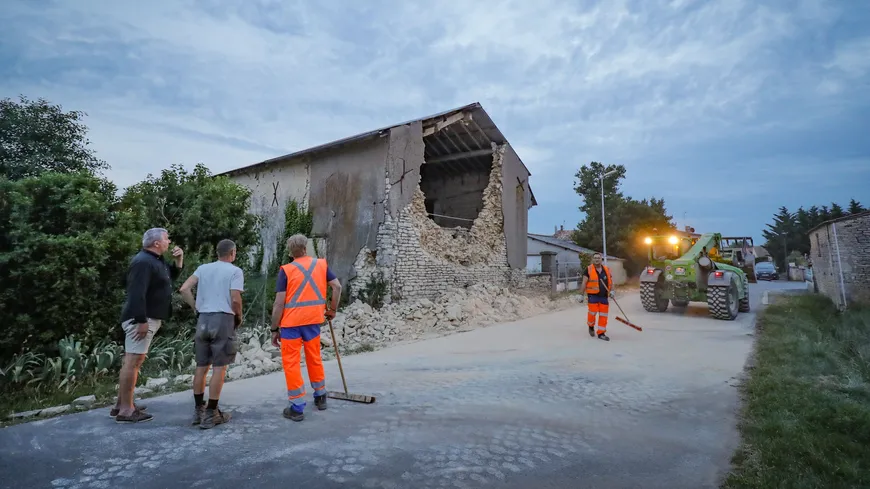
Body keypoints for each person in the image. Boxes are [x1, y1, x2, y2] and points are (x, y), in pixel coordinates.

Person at [113, 228, 184, 423]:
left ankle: (122, 404)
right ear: (156, 243)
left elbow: (168, 281)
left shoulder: (155, 261)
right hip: (142, 319)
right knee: (133, 362)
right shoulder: (143, 262)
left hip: (147, 317)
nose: (169, 241)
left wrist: (178, 261)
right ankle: (127, 410)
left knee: (132, 360)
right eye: (166, 239)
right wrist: (141, 320)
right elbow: (136, 293)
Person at [270, 233, 342, 422]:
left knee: (292, 363)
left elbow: (279, 303)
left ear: (290, 252)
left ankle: (297, 407)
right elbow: (337, 287)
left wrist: (273, 329)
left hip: (291, 325)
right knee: (314, 358)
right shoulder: (321, 265)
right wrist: (332, 310)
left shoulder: (286, 270)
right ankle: (320, 396)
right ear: (305, 248)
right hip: (313, 321)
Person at [179, 239, 244, 429]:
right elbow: (235, 298)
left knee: (201, 366)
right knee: (219, 367)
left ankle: (198, 409)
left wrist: (196, 307)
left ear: (217, 253)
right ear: (232, 253)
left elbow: (184, 289)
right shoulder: (234, 271)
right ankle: (212, 413)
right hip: (222, 319)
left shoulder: (203, 268)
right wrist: (237, 317)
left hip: (203, 320)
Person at [579, 252, 613, 342]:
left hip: (604, 296)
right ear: (593, 259)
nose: (597, 259)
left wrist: (612, 291)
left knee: (603, 315)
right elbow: (584, 282)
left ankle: (601, 333)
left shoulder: (606, 269)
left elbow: (610, 281)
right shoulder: (588, 269)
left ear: (601, 259)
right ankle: (591, 326)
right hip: (593, 296)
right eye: (595, 258)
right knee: (592, 313)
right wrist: (581, 295)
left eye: (598, 258)